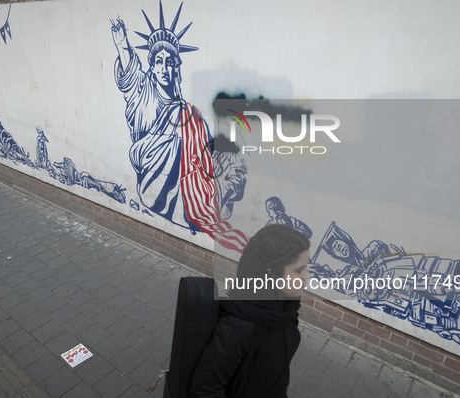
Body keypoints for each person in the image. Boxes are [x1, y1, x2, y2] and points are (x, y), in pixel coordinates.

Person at [110, 4, 248, 253]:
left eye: (170, 62)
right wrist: (122, 46)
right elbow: (129, 73)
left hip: (187, 175)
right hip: (151, 171)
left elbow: (204, 148)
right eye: (159, 62)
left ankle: (210, 196)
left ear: (176, 68)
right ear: (151, 67)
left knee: (192, 119)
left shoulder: (188, 111)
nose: (164, 68)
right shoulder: (142, 93)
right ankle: (203, 200)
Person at [190, 224, 311, 397]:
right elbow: (204, 390)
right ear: (271, 274)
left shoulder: (285, 307)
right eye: (299, 270)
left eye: (306, 267)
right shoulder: (238, 326)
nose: (307, 275)